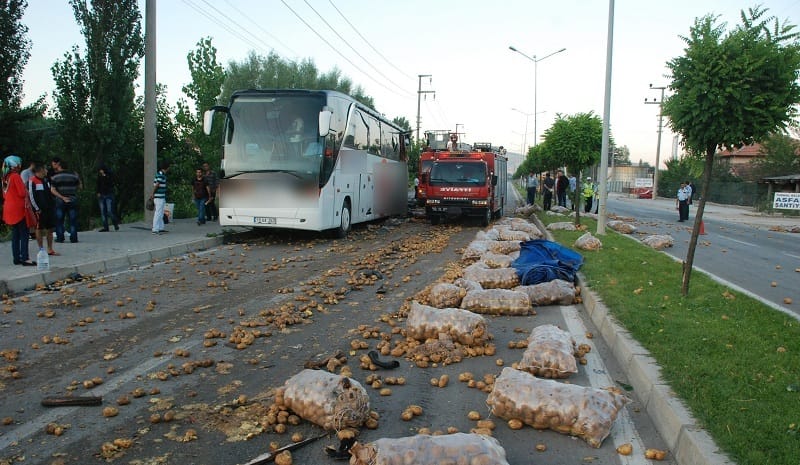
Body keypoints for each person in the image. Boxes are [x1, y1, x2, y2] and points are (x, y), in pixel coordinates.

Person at [2, 155, 35, 266]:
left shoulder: (5, 177)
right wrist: (25, 189)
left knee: (15, 235)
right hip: (18, 208)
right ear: (14, 165)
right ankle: (25, 258)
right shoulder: (15, 176)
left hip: (8, 208)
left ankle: (16, 258)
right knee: (24, 234)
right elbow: (21, 193)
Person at [28, 162, 58, 256]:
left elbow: (49, 194)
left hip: (49, 208)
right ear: (40, 170)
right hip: (39, 210)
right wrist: (36, 208)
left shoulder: (45, 180)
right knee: (39, 228)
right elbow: (31, 196)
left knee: (50, 228)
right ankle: (41, 249)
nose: (47, 170)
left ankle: (50, 249)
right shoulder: (32, 180)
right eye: (45, 169)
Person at [50, 158, 82, 243]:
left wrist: (62, 197)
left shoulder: (55, 177)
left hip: (60, 200)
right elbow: (80, 187)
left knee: (59, 220)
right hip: (72, 199)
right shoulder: (73, 176)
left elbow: (52, 190)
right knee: (73, 219)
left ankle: (60, 237)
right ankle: (74, 237)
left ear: (59, 166)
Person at [96, 164, 119, 232]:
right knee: (103, 212)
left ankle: (115, 223)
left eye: (101, 170)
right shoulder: (99, 177)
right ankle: (105, 227)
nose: (100, 171)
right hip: (101, 195)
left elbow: (111, 183)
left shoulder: (110, 175)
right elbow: (98, 185)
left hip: (109, 195)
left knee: (109, 211)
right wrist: (98, 192)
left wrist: (105, 176)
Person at [150, 161, 169, 234]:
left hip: (161, 197)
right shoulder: (161, 175)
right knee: (158, 213)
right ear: (166, 168)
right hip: (159, 197)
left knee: (160, 213)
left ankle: (160, 227)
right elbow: (157, 184)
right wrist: (153, 194)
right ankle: (155, 229)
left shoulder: (161, 174)